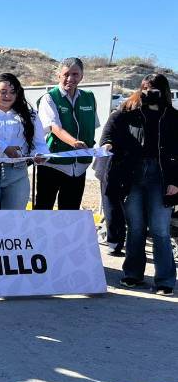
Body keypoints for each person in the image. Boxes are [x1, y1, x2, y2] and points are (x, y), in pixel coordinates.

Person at [101, 74, 177, 295]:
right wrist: (107, 143)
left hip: (162, 176)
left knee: (160, 228)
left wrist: (176, 182)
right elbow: (109, 132)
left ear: (164, 92)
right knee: (135, 227)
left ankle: (165, 280)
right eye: (145, 88)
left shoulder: (173, 117)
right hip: (132, 173)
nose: (149, 93)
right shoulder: (127, 112)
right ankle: (132, 274)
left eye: (154, 90)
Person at [0, 73, 49, 210]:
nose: (8, 96)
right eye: (3, 92)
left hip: (18, 174)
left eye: (12, 92)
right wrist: (4, 148)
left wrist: (40, 154)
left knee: (13, 223)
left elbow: (40, 143)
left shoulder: (30, 115)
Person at [35, 57, 99, 210]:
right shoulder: (49, 98)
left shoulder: (89, 97)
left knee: (70, 213)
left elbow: (93, 126)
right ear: (59, 76)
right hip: (53, 165)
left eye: (75, 74)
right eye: (66, 74)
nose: (70, 78)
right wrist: (73, 142)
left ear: (82, 76)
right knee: (44, 209)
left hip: (79, 167)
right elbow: (54, 127)